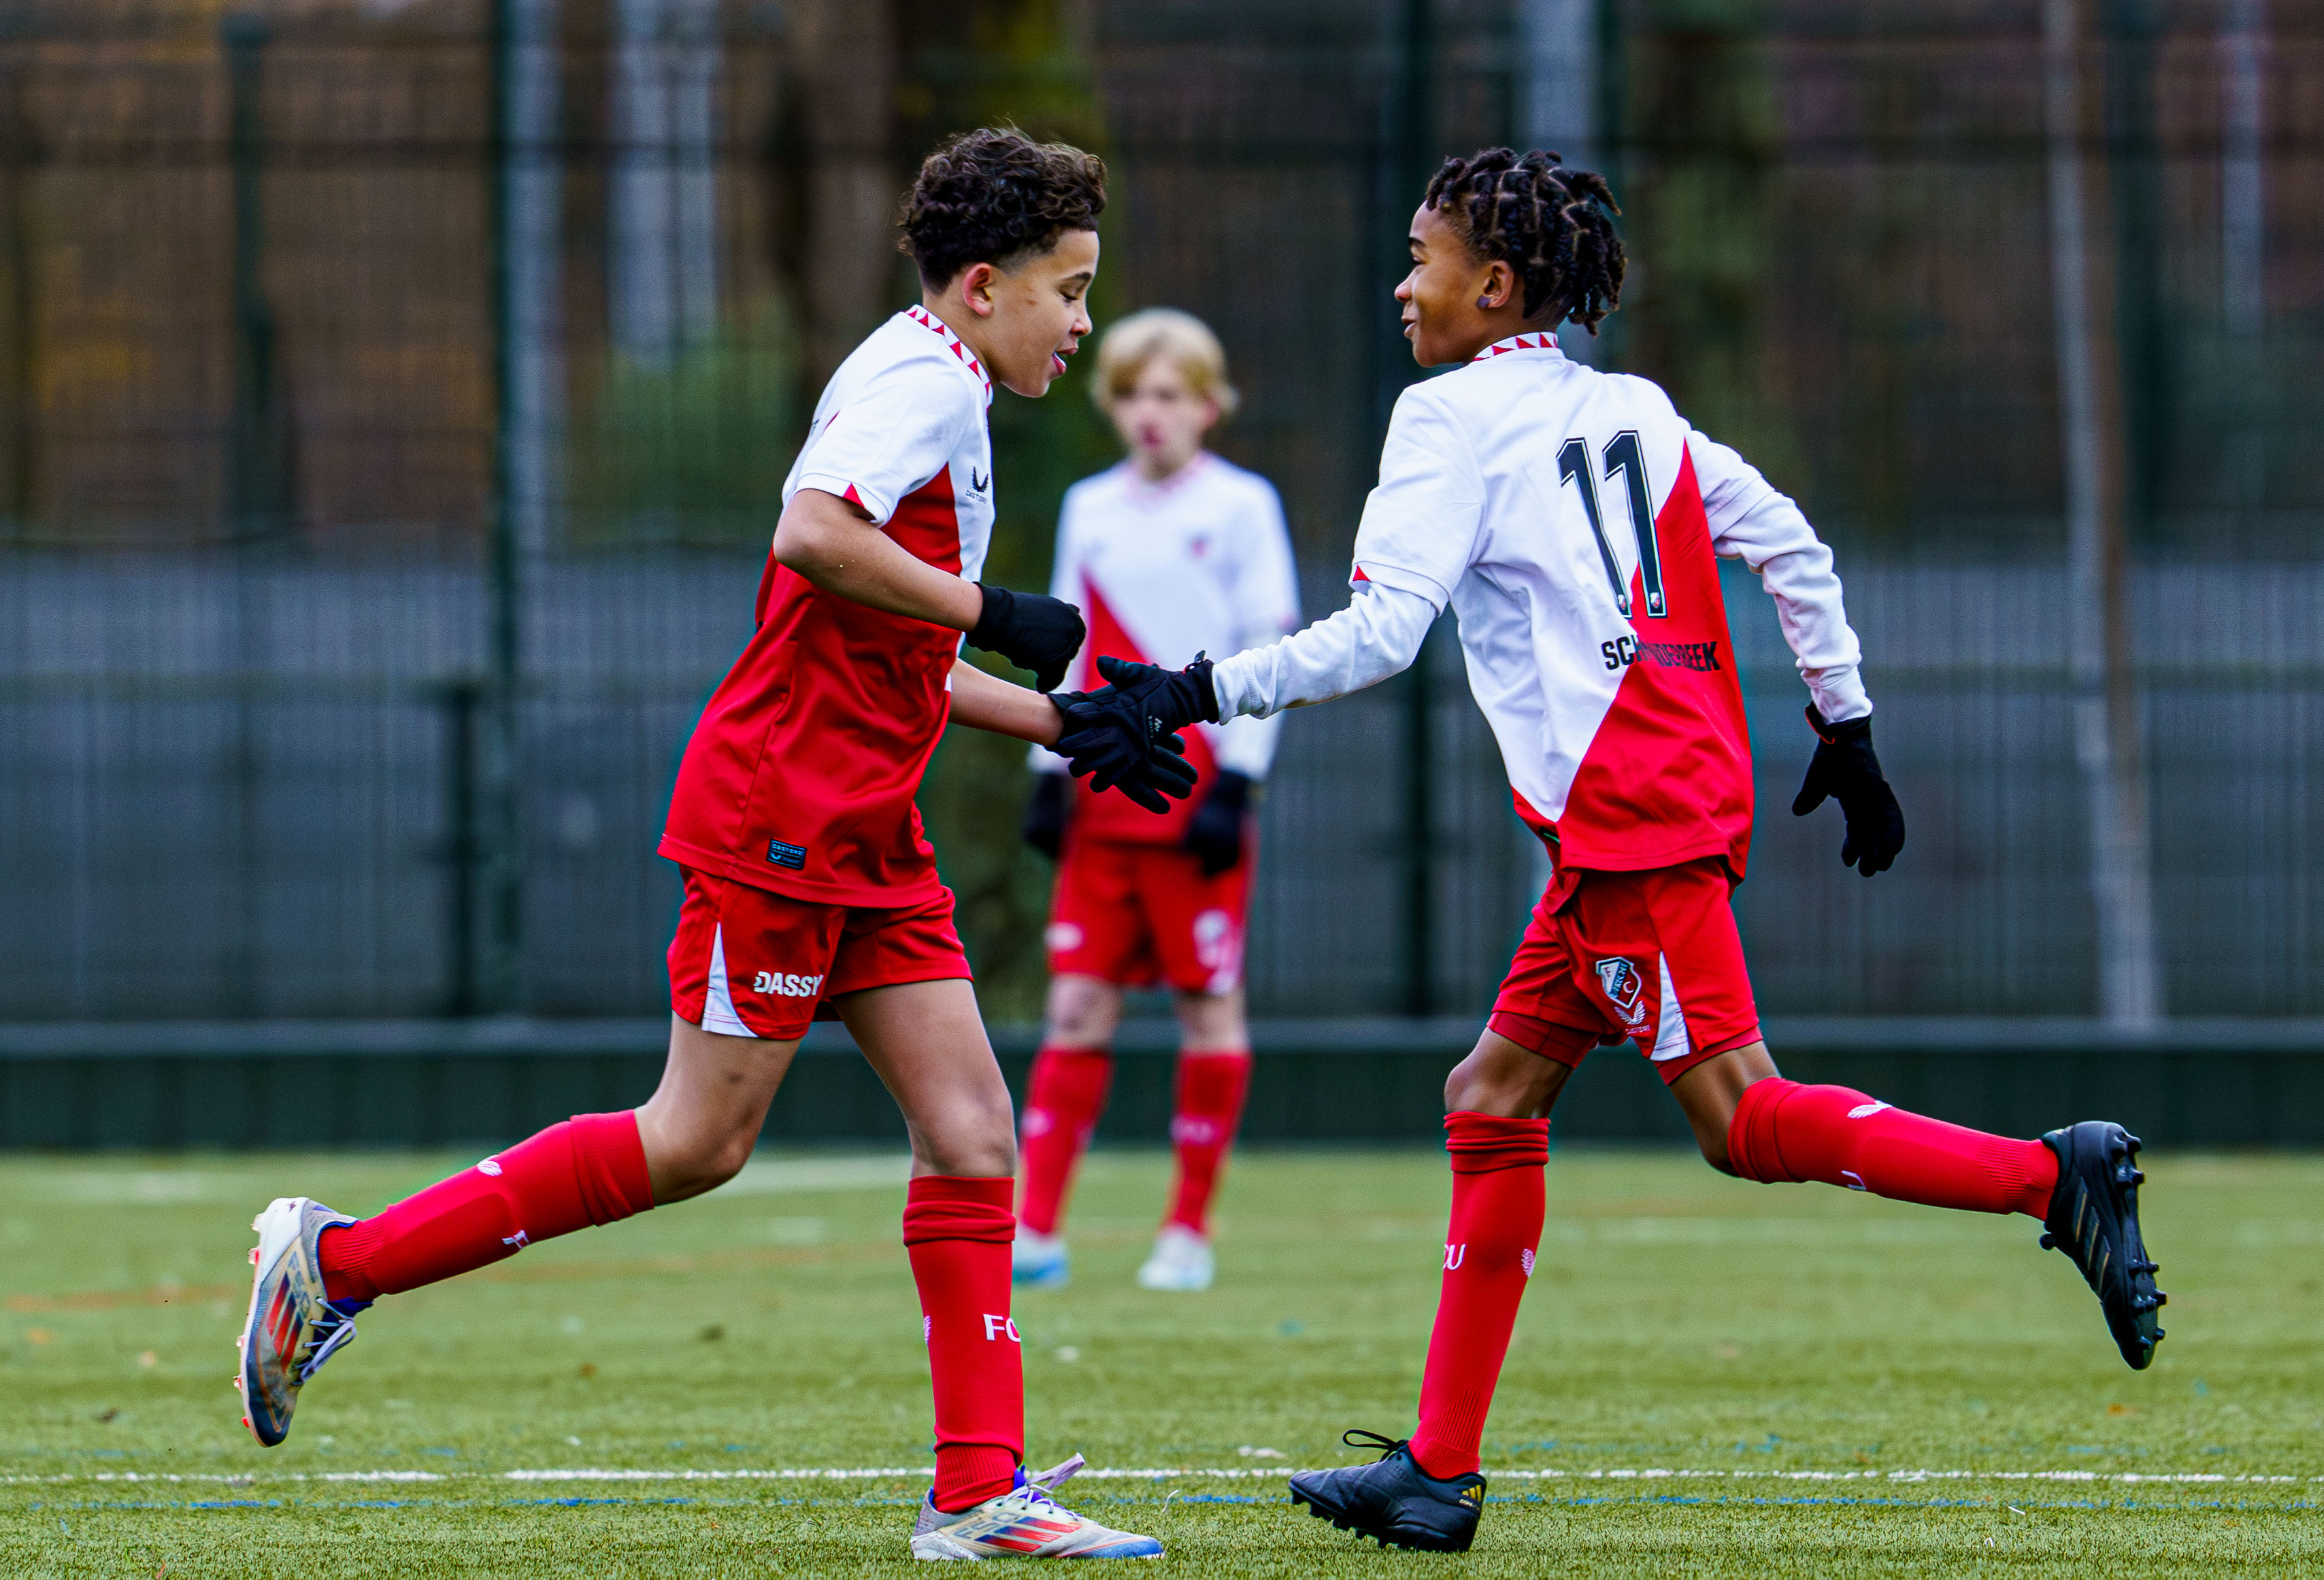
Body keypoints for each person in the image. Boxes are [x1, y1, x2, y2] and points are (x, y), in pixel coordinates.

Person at [1053, 147, 2165, 1553]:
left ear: (1496, 284)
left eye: (1425, 257)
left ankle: (2046, 1174)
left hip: (1628, 825)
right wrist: (1847, 723)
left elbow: (1381, 636)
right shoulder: (1635, 409)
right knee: (1494, 1094)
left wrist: (1183, 690)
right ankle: (1438, 1473)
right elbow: (1794, 547)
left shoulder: (1446, 419)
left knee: (1744, 1122)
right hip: (1637, 814)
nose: (1405, 284)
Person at [233, 127, 1193, 1563]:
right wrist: (993, 608)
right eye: (1071, 288)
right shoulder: (920, 380)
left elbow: (888, 652)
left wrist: (1059, 720)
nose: (1083, 320)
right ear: (985, 286)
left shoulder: (942, 380)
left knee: (973, 1133)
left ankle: (978, 1495)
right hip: (784, 818)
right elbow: (810, 537)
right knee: (695, 1142)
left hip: (870, 823)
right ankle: (338, 1262)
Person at [1011, 309, 1301, 1294]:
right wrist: (1047, 776)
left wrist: (1244, 779)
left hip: (1198, 786)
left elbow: (1269, 642)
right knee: (1077, 1006)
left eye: (1169, 394)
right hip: (1103, 791)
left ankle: (1187, 1232)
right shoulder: (1089, 506)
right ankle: (1034, 1230)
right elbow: (1071, 639)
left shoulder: (1243, 505)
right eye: (1131, 393)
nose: (1149, 413)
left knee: (1206, 1003)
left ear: (1209, 407)